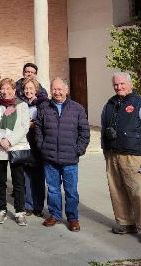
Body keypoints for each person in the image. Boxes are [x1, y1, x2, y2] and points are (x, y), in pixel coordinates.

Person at [101, 72, 141, 245]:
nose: (118, 87)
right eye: (116, 85)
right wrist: (106, 151)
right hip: (113, 154)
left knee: (140, 193)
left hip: (134, 156)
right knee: (117, 191)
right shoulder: (109, 104)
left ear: (130, 84)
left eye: (122, 84)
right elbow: (104, 128)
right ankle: (125, 222)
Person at [34, 77, 90, 232]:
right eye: (54, 89)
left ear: (67, 90)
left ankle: (73, 218)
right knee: (52, 189)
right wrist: (42, 146)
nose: (56, 92)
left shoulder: (77, 108)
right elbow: (38, 128)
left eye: (60, 89)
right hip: (50, 156)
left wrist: (78, 150)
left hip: (70, 158)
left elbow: (84, 132)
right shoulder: (44, 107)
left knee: (71, 191)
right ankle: (55, 214)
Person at [0, 77, 31, 226]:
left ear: (14, 90)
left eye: (8, 89)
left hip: (16, 147)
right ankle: (2, 209)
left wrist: (10, 141)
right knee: (0, 181)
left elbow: (24, 127)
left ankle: (19, 211)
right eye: (2, 89)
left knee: (18, 181)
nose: (5, 92)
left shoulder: (22, 106)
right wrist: (1, 141)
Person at [20, 77, 47, 217]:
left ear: (36, 89)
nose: (28, 91)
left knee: (38, 178)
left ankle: (38, 206)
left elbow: (45, 123)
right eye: (26, 88)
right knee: (26, 177)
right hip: (24, 143)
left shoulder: (43, 104)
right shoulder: (20, 104)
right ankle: (28, 205)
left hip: (38, 145)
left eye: (31, 88)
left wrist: (34, 124)